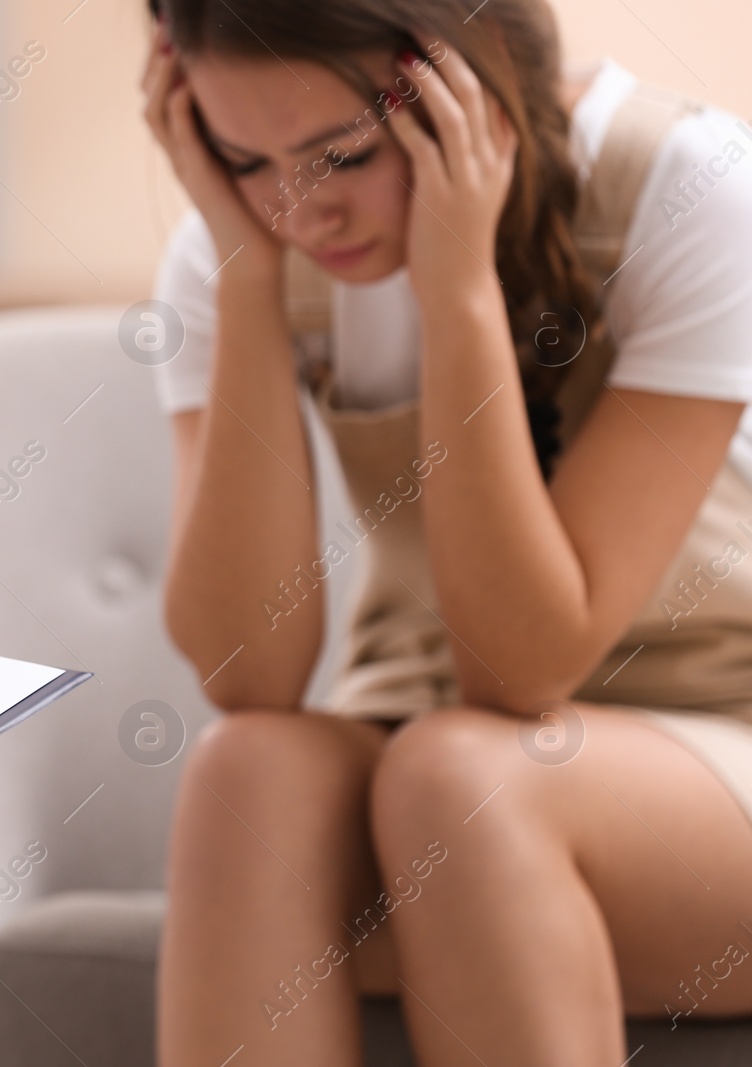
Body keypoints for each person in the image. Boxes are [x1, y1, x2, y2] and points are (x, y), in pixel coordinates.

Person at [143, 0, 752, 1063]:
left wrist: (457, 289)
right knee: (246, 770)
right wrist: (245, 279)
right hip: (431, 749)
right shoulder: (241, 248)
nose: (301, 212)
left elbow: (519, 669)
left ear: (467, 82)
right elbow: (251, 669)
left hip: (710, 745)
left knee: (462, 779)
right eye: (244, 158)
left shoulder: (688, 186)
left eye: (343, 155)